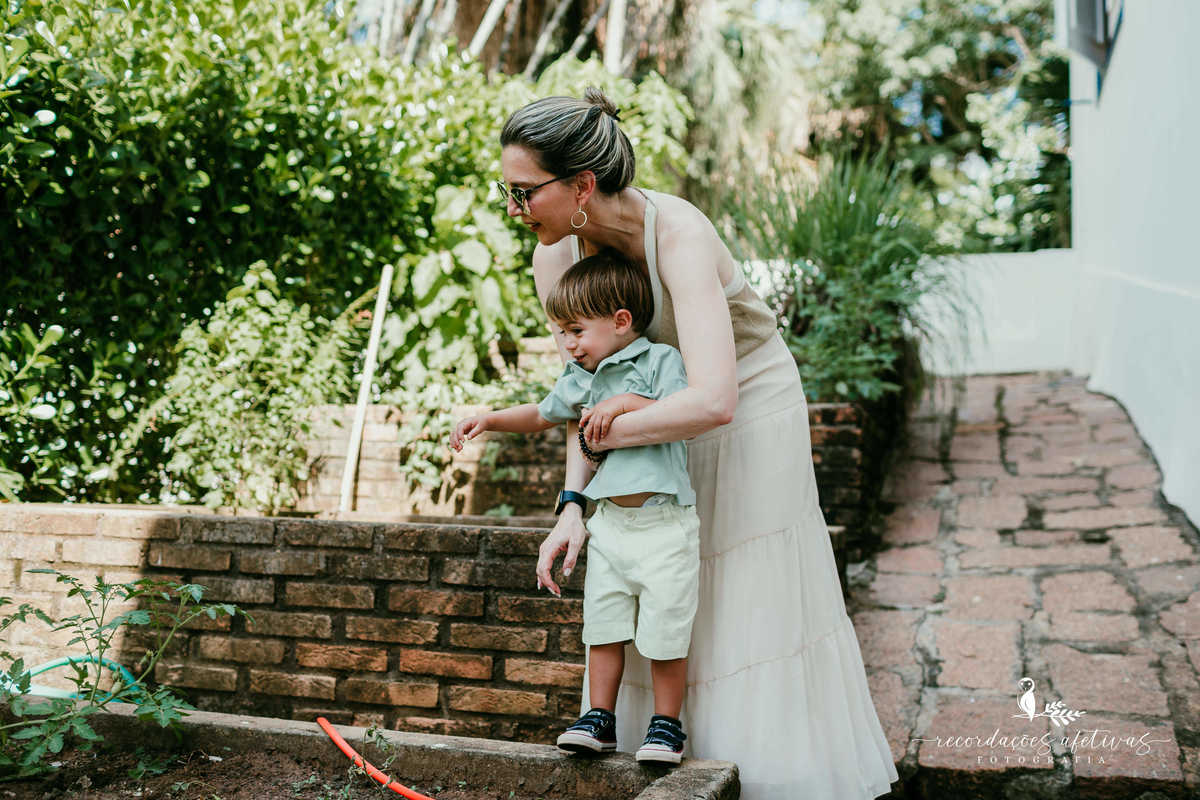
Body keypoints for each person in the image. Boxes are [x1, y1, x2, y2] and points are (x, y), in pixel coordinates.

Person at [495, 88, 899, 799]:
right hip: (647, 423)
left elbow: (713, 399)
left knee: (741, 592)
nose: (514, 209)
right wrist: (572, 506)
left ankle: (772, 779)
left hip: (747, 408)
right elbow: (586, 391)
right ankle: (674, 769)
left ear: (582, 185)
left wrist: (612, 426)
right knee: (663, 588)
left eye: (524, 192)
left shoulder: (678, 232)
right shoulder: (555, 261)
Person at [449, 250, 702, 765]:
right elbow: (544, 413)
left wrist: (626, 403)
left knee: (665, 632)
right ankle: (600, 719)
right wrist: (489, 418)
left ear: (621, 321)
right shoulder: (579, 376)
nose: (568, 343)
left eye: (575, 331)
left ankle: (666, 727)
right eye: (562, 332)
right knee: (604, 627)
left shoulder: (659, 362)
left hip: (664, 525)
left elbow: (683, 413)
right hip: (609, 524)